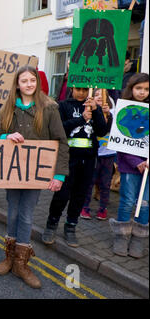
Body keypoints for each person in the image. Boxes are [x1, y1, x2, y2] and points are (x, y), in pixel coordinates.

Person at [0, 66, 68, 289]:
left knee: (26, 215)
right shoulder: (7, 108)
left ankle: (22, 263)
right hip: (12, 172)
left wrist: (59, 174)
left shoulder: (50, 108)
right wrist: (7, 135)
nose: (28, 84)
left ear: (37, 83)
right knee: (13, 213)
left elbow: (61, 141)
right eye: (24, 81)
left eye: (32, 80)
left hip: (36, 173)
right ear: (17, 84)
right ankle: (10, 258)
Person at [42, 86, 108, 248]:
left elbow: (102, 131)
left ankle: (71, 226)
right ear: (72, 89)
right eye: (78, 89)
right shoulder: (63, 106)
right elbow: (59, 129)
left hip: (88, 160)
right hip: (67, 159)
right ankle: (51, 224)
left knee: (80, 195)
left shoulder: (94, 106)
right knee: (62, 194)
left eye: (85, 90)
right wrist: (81, 119)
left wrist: (97, 111)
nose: (82, 93)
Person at [109, 73, 149, 259]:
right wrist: (137, 162)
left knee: (145, 203)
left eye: (146, 89)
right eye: (138, 88)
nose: (142, 92)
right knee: (126, 201)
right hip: (129, 166)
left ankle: (139, 239)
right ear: (131, 88)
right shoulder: (123, 109)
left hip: (149, 167)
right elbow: (121, 143)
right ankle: (121, 237)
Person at [81, 89, 115, 221]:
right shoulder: (89, 114)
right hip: (94, 155)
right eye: (96, 95)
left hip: (109, 154)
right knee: (89, 182)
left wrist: (109, 115)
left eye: (103, 95)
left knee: (105, 184)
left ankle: (103, 208)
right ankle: (85, 207)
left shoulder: (113, 113)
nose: (99, 97)